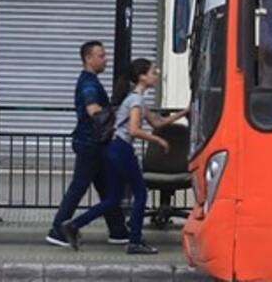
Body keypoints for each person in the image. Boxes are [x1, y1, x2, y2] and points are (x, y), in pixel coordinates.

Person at [62, 58, 189, 254]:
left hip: (113, 149)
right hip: (122, 150)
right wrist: (158, 141)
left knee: (112, 198)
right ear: (142, 76)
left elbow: (157, 123)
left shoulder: (135, 99)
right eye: (153, 72)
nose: (156, 75)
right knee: (141, 194)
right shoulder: (136, 101)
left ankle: (74, 225)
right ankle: (135, 241)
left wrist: (184, 113)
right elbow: (134, 130)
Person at [46, 41, 129, 247]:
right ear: (88, 59)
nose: (105, 59)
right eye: (101, 56)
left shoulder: (89, 81)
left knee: (108, 188)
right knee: (79, 186)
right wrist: (113, 114)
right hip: (91, 143)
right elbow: (93, 110)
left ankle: (118, 231)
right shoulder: (89, 83)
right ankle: (58, 230)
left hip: (94, 143)